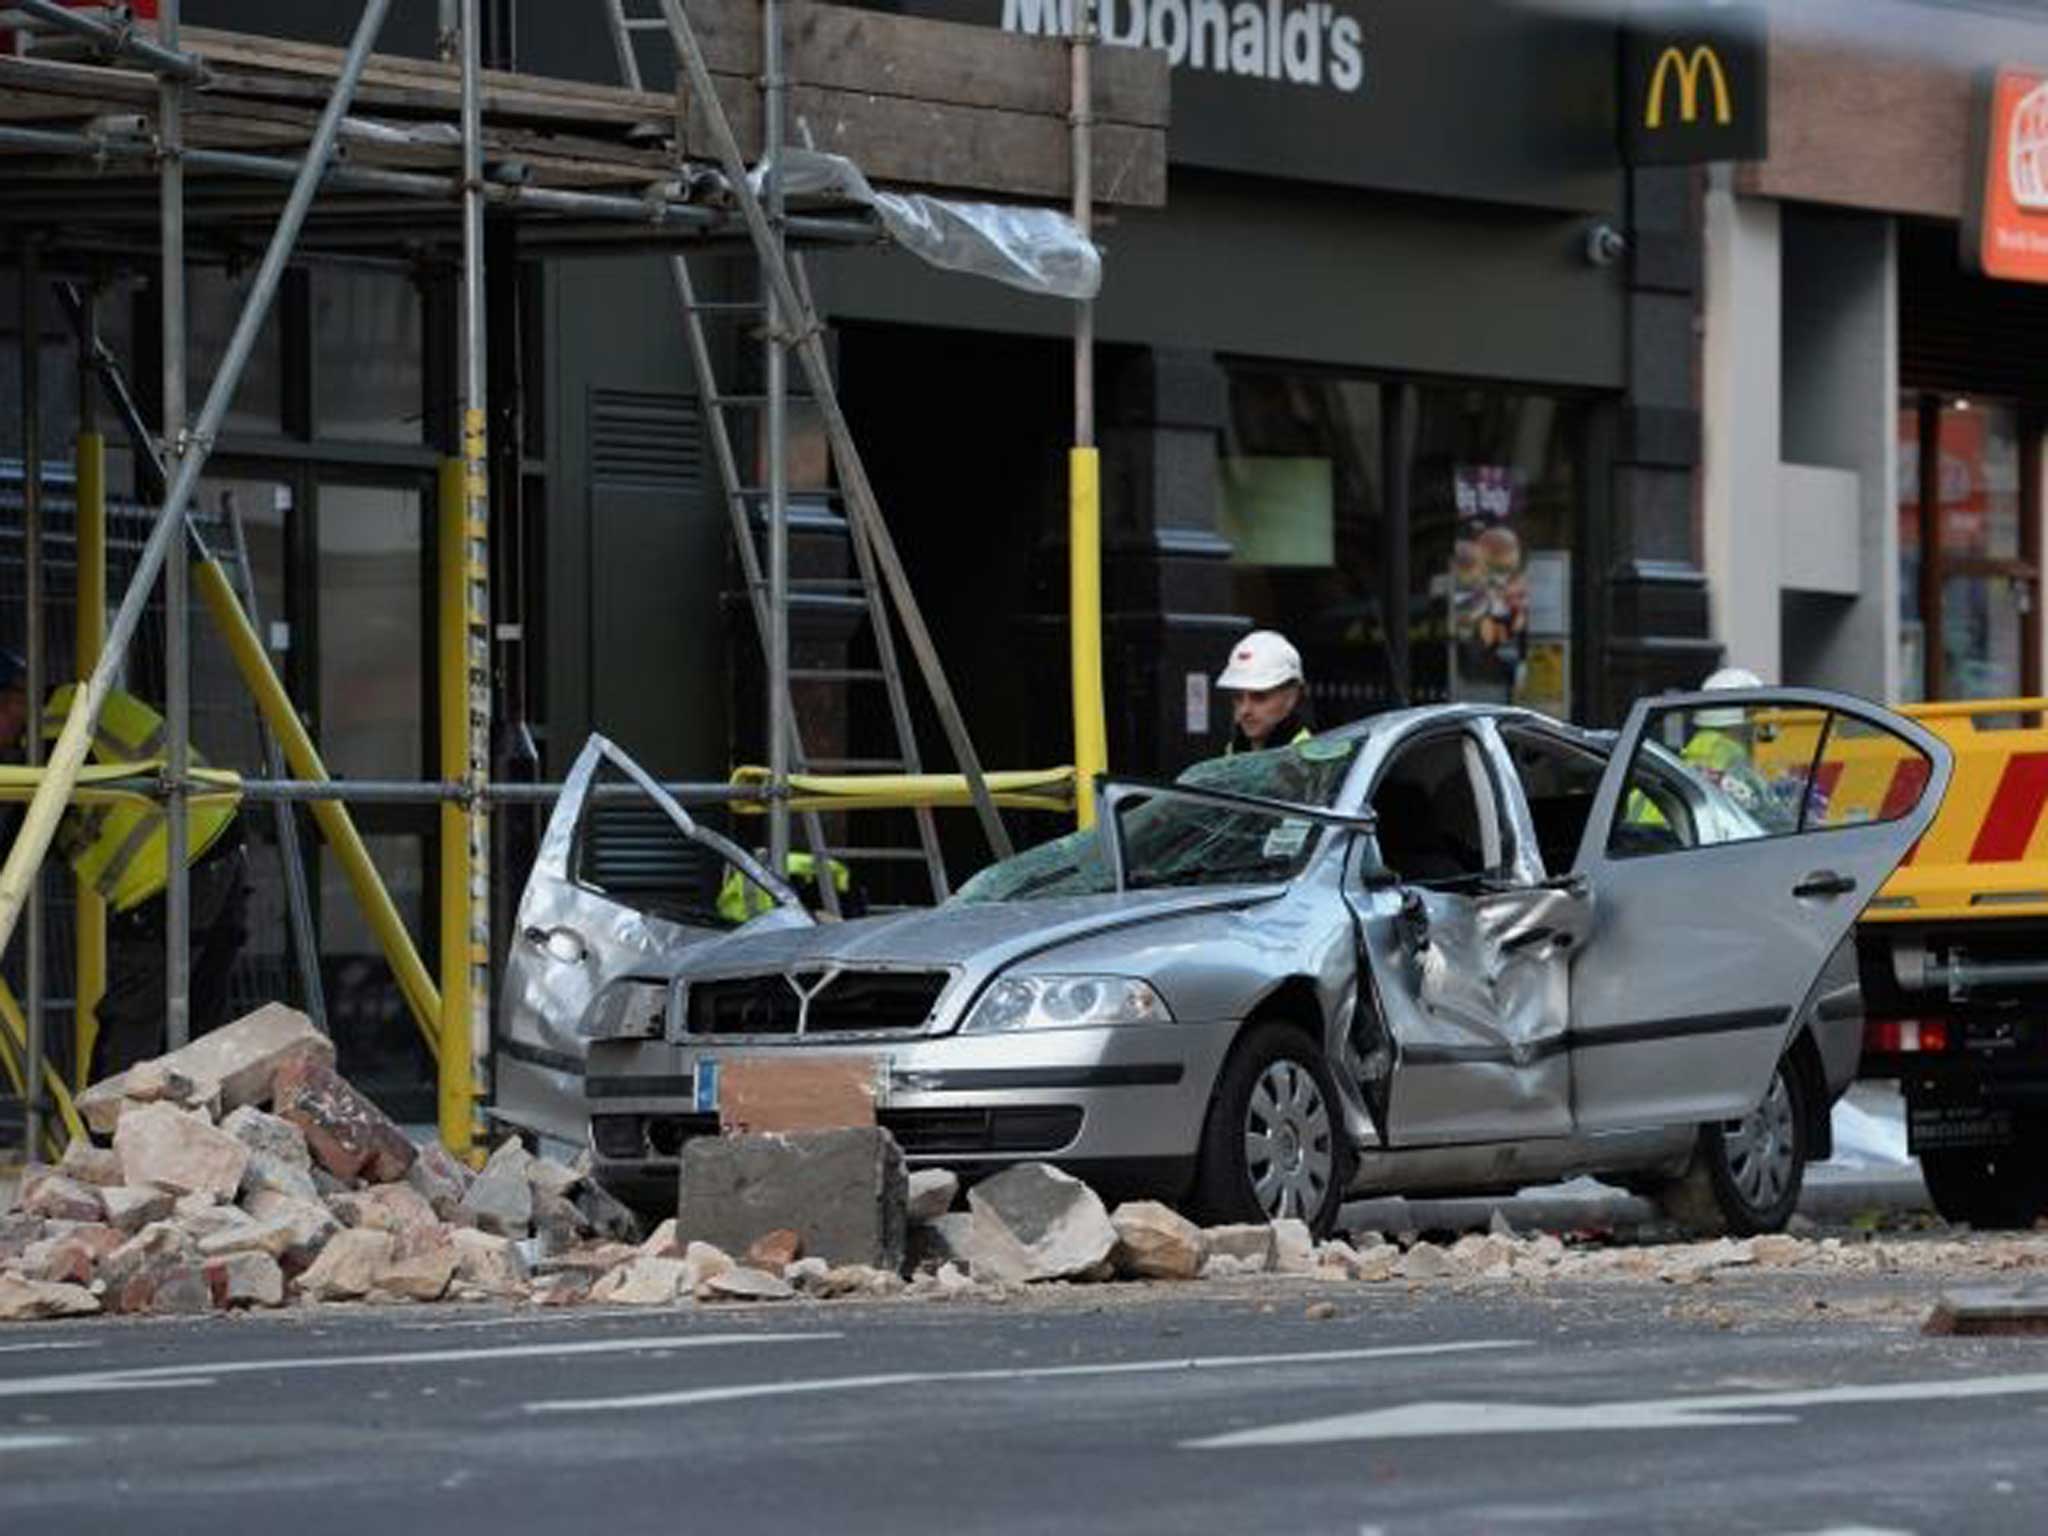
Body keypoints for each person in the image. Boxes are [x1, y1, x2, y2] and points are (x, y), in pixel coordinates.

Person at [0, 651, 250, 1081]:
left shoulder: (60, 728)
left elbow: (33, 830)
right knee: (200, 1020)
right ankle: (199, 1132)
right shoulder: (76, 713)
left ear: (15, 699)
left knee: (131, 1020)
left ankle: (105, 1139)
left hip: (170, 871)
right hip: (216, 852)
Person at [1217, 629, 1314, 754]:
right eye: (1238, 697)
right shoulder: (1232, 753)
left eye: (1259, 697)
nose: (1244, 710)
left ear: (1292, 696)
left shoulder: (1309, 762)